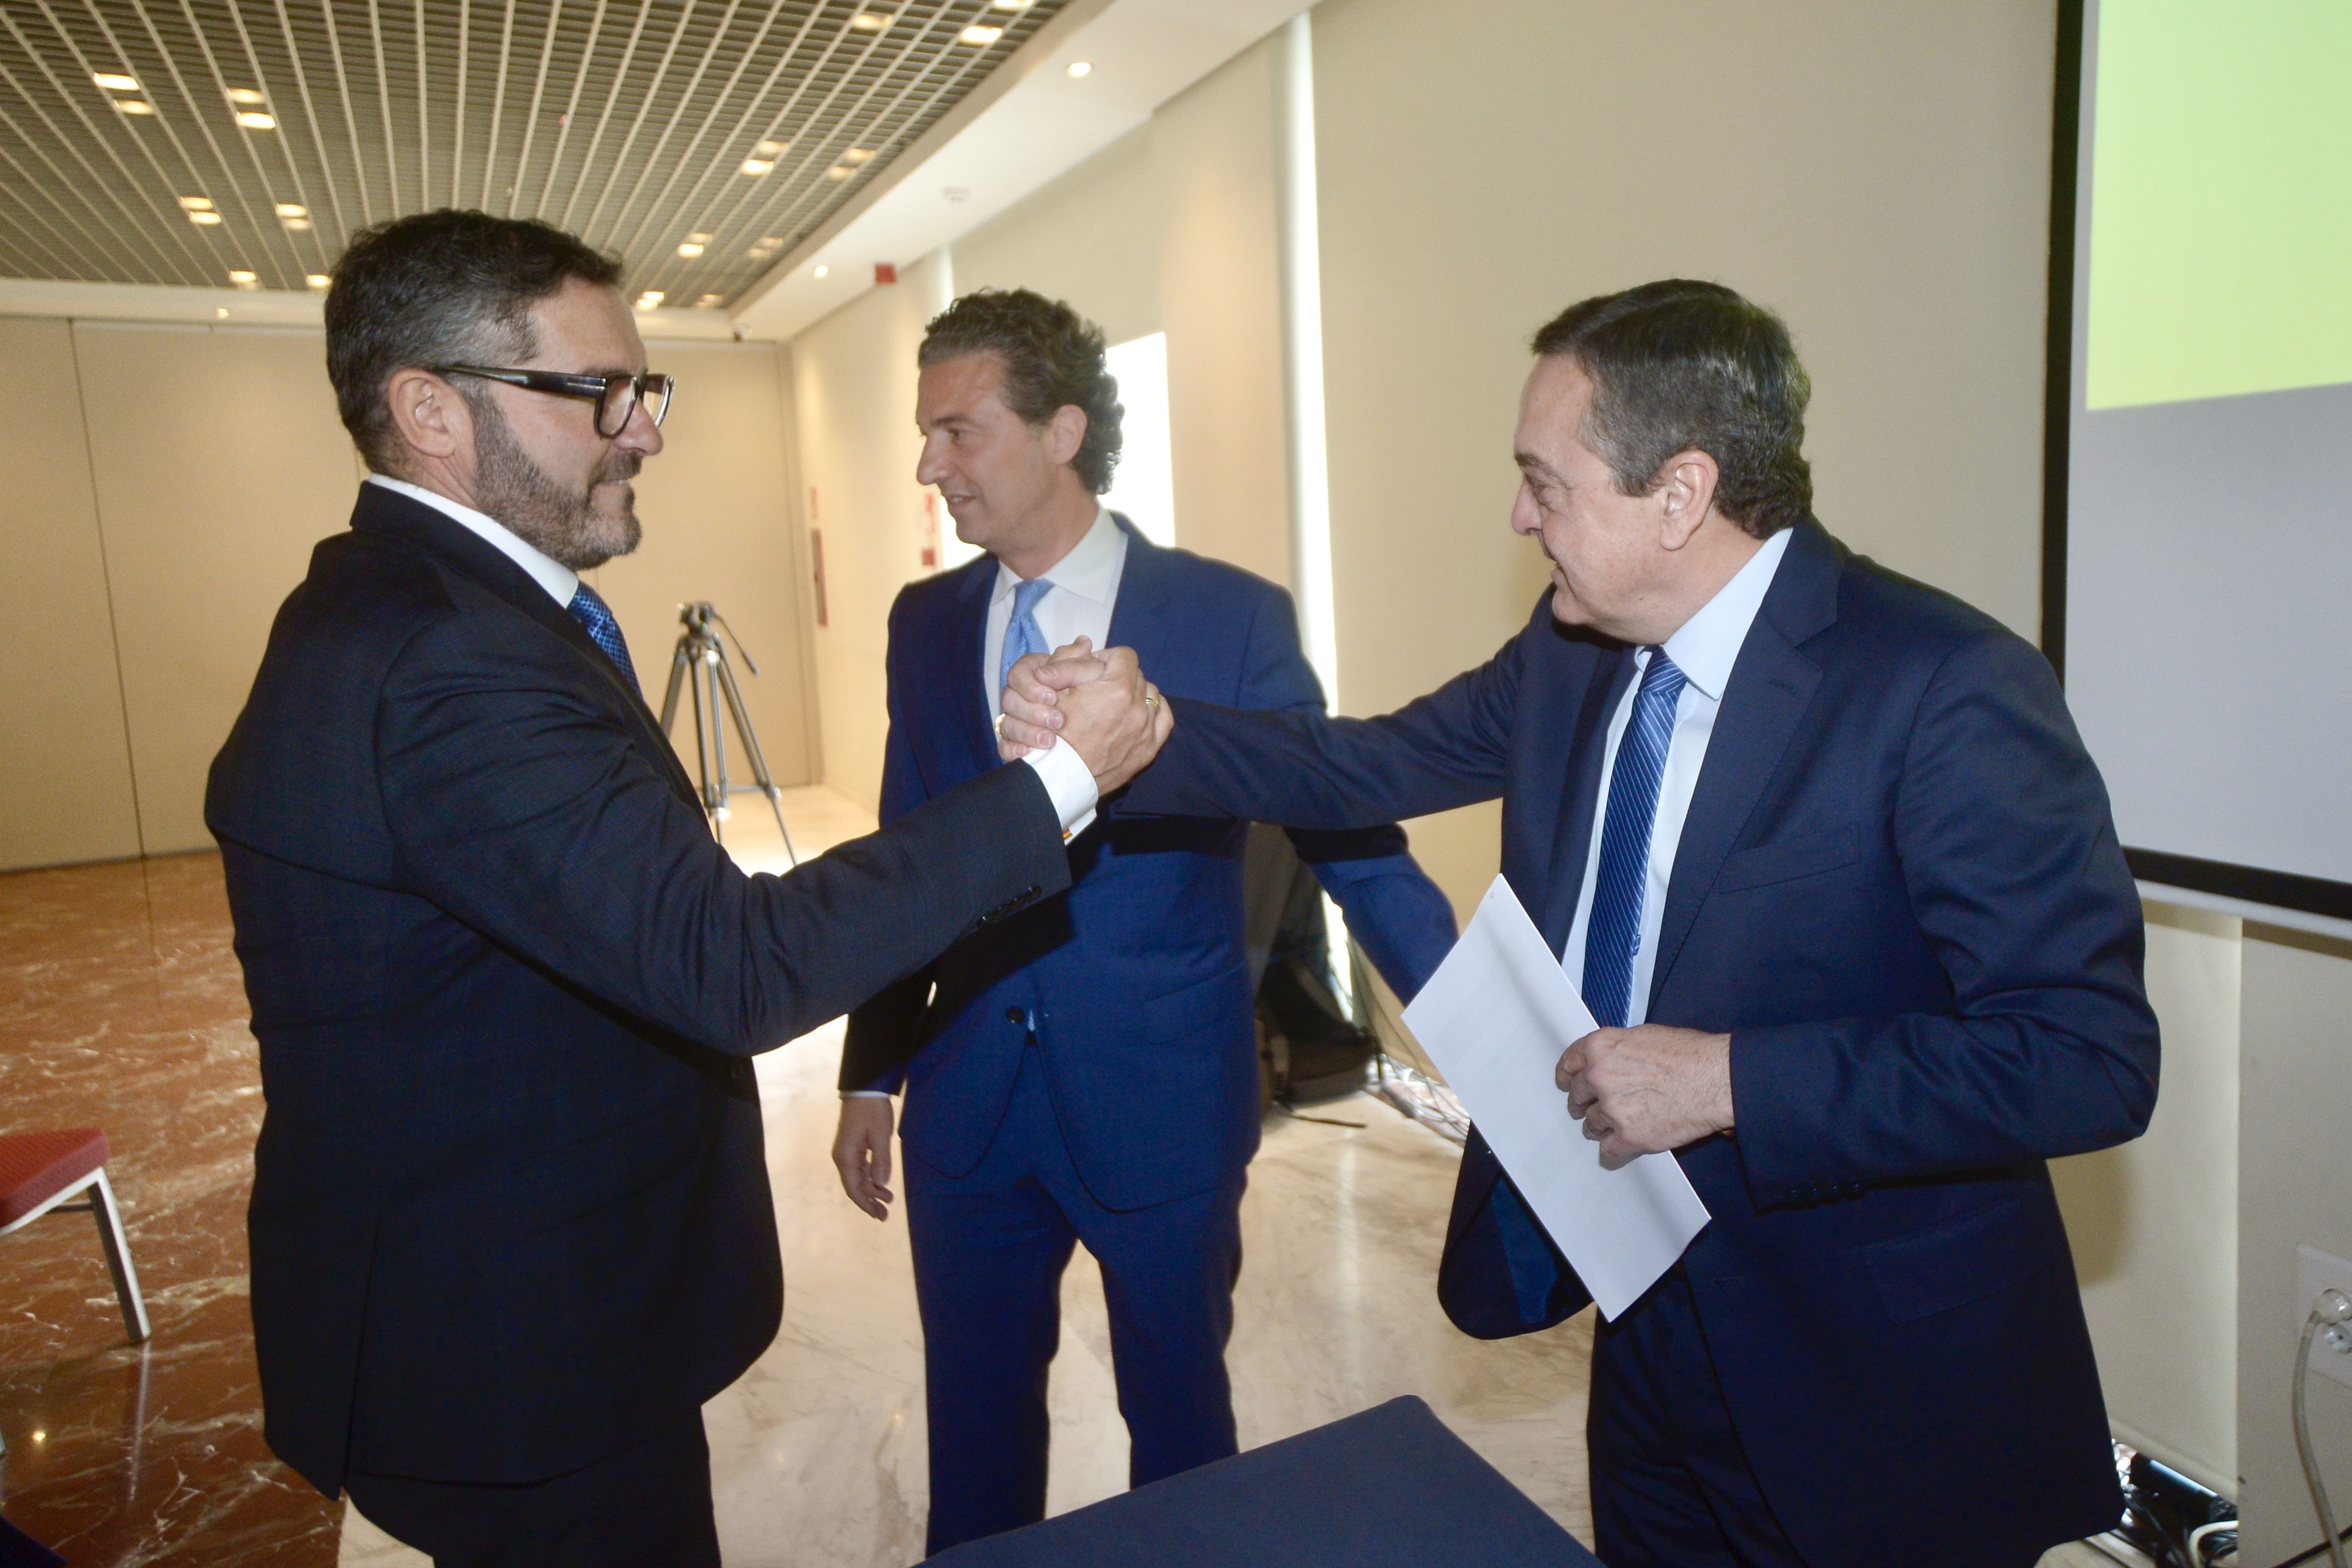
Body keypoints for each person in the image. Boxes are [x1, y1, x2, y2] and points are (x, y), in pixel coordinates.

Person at [1000, 280, 2161, 1568]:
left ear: (1678, 494)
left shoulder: (1941, 686)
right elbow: (1361, 767)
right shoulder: (1576, 651)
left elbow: (2085, 1055)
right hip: (1645, 1319)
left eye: (1543, 482)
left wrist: (1729, 1078)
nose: (1517, 515)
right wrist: (1141, 730)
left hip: (1868, 1379)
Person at [204, 213, 1166, 1567]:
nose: (644, 428)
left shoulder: (434, 609)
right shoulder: (445, 658)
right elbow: (731, 955)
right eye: (600, 391)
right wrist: (1063, 782)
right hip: (512, 1360)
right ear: (429, 409)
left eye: (643, 388)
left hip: (533, 1321)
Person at [830, 288, 1459, 1555]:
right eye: (925, 433)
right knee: (978, 1433)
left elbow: (1349, 836)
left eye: (958, 431)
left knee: (1182, 1437)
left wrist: (1490, 1032)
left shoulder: (1230, 617)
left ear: (1061, 429)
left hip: (1160, 1096)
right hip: (968, 1110)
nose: (928, 464)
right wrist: (871, 1072)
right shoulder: (924, 622)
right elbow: (907, 857)